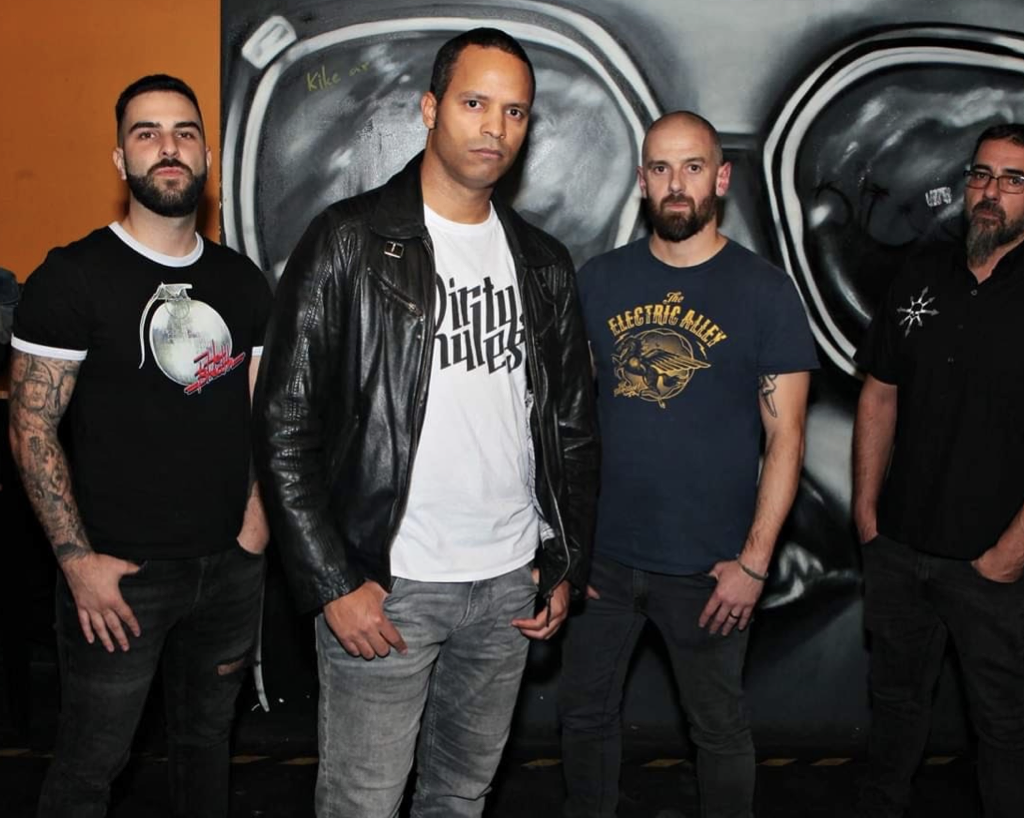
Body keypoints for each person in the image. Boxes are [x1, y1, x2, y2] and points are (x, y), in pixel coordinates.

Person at [253, 28, 598, 818]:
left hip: (509, 584)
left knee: (461, 798)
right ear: (431, 108)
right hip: (390, 584)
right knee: (363, 805)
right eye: (475, 103)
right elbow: (284, 424)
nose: (494, 128)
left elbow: (573, 426)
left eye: (515, 112)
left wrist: (564, 561)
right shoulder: (348, 240)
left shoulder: (543, 262)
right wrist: (333, 582)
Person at [8, 74, 271, 818]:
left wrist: (256, 527)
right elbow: (30, 426)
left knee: (206, 746)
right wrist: (76, 562)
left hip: (228, 569)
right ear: (121, 159)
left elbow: (262, 415)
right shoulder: (74, 276)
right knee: (92, 765)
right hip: (119, 579)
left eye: (185, 132)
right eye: (147, 133)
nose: (169, 147)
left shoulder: (242, 281)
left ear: (207, 156)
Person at [852, 123, 1024, 817]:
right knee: (894, 706)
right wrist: (867, 513)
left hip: (994, 568)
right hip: (898, 547)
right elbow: (879, 393)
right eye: (981, 175)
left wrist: (1012, 551)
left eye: (1013, 180)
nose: (991, 192)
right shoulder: (921, 273)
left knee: (1001, 725)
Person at [558, 111, 819, 818]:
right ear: (642, 181)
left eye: (693, 167)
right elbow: (563, 423)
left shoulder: (765, 292)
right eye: (662, 168)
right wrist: (564, 546)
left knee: (719, 730)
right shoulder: (599, 281)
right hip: (603, 563)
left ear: (721, 178)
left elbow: (787, 439)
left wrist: (754, 564)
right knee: (584, 718)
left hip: (710, 570)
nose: (677, 184)